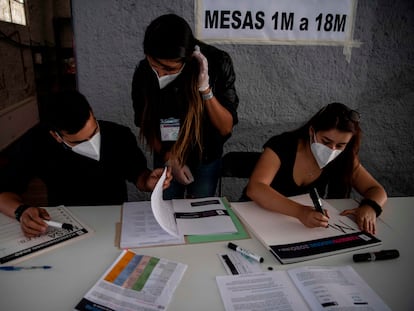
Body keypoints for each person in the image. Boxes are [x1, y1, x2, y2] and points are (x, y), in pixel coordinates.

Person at [0, 90, 172, 237]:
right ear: (56, 136)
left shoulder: (118, 135)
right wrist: (21, 212)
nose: (91, 143)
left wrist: (149, 182)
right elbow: (4, 192)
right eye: (79, 142)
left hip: (115, 222)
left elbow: (138, 175)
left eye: (94, 132)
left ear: (91, 112)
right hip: (67, 222)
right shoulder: (36, 144)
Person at [131, 14, 239, 199]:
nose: (160, 73)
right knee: (167, 207)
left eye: (169, 69)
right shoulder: (144, 72)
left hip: (206, 156)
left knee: (201, 211)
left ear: (187, 58)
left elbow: (225, 126)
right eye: (155, 65)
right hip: (167, 153)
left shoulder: (217, 63)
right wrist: (168, 157)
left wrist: (205, 89)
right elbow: (145, 123)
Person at [246, 102, 387, 235]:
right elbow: (256, 188)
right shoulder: (283, 145)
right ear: (312, 131)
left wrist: (370, 207)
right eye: (326, 141)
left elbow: (376, 190)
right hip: (255, 217)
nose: (332, 150)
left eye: (340, 145)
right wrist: (301, 212)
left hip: (298, 230)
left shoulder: (344, 158)